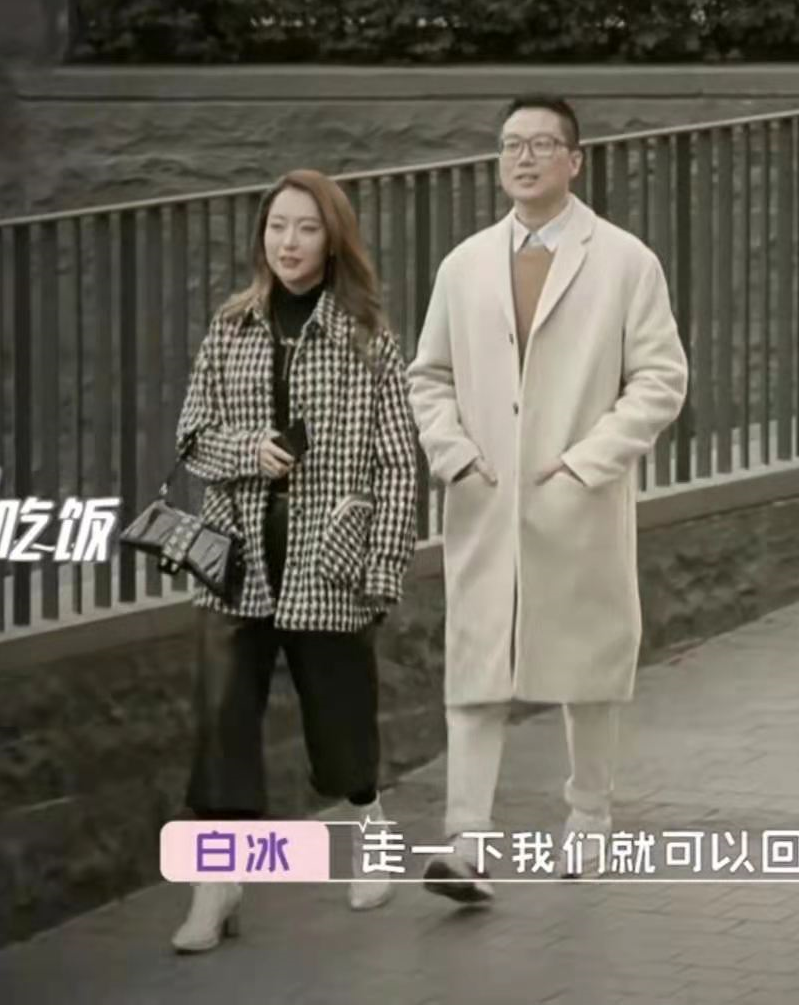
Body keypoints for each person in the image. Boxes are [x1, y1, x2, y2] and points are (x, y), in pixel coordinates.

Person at [407, 96, 688, 902]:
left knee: (586, 666)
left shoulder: (626, 261)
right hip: (486, 497)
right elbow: (429, 376)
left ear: (575, 159)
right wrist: (454, 453)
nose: (523, 158)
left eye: (540, 144)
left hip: (576, 499)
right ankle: (467, 841)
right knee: (477, 666)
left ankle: (590, 814)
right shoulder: (464, 265)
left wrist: (586, 463)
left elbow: (661, 378)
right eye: (510, 145)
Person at [168, 169, 419, 951]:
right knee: (222, 721)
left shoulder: (367, 338)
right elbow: (192, 437)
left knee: (339, 715)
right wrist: (250, 449)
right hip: (236, 557)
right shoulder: (231, 326)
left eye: (306, 227)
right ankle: (216, 884)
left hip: (328, 558)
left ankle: (370, 831)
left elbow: (398, 463)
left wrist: (381, 569)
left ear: (333, 239)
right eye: (277, 226)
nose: (289, 242)